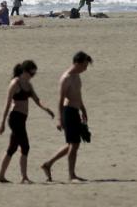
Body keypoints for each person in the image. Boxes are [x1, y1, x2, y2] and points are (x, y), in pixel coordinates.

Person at [0, 60, 55, 183]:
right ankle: (24, 177)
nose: (31, 76)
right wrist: (2, 124)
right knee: (25, 146)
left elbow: (37, 100)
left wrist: (47, 109)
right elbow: (7, 104)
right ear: (23, 71)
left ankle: (1, 176)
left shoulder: (28, 84)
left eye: (33, 74)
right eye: (30, 73)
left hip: (22, 119)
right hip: (15, 118)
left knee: (12, 148)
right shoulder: (14, 84)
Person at [42, 51, 92, 182]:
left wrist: (83, 109)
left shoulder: (77, 76)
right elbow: (60, 99)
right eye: (85, 65)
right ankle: (71, 175)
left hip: (75, 111)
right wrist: (59, 119)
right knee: (74, 144)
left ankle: (48, 164)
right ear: (77, 63)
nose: (86, 68)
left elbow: (77, 94)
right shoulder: (66, 78)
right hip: (67, 111)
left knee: (72, 143)